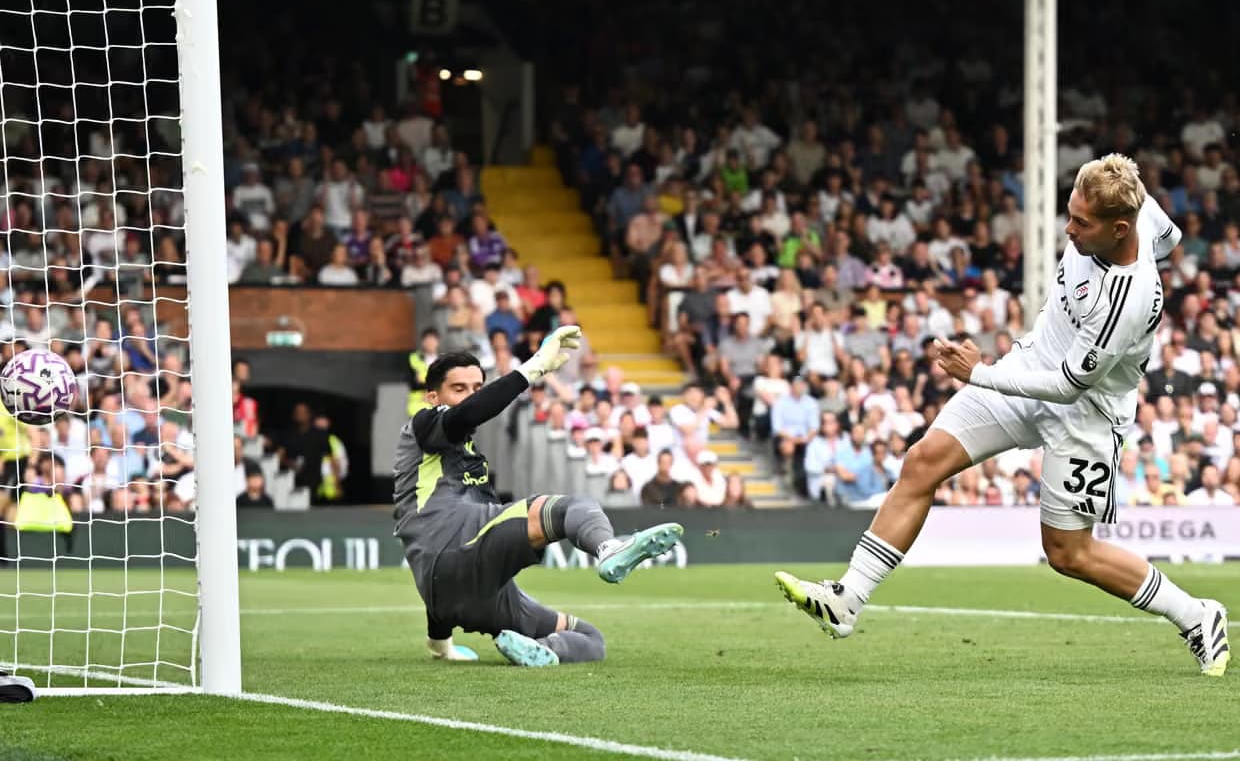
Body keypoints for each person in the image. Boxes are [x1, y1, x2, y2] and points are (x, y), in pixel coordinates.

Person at [775, 155, 1230, 677]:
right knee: (923, 462)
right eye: (1070, 213)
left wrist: (979, 373)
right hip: (1026, 367)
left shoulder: (1129, 297)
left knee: (1068, 554)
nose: (1069, 228)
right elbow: (1166, 237)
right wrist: (993, 372)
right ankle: (847, 600)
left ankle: (1196, 614)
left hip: (1085, 412)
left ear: (1119, 228)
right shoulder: (1138, 210)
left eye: (1081, 223)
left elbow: (1066, 386)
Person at [393, 325, 683, 667]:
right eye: (459, 389)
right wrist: (535, 367)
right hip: (459, 542)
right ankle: (607, 548)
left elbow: (435, 575)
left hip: (463, 592)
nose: (470, 396)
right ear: (433, 397)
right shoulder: (426, 423)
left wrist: (441, 645)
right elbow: (468, 414)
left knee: (591, 639)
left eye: (476, 388)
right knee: (572, 507)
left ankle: (545, 650)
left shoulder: (454, 454)